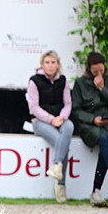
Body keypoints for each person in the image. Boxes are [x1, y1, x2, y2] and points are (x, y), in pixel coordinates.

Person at [26, 50, 73, 203]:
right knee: (62, 142)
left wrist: (62, 117)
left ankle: (56, 165)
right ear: (42, 64)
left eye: (53, 62)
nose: (50, 65)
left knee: (69, 127)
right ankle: (61, 185)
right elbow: (34, 107)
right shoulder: (34, 81)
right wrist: (52, 119)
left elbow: (68, 103)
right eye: (47, 62)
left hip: (60, 119)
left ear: (58, 64)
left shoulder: (63, 80)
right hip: (40, 121)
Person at [71, 51, 108, 207]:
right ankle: (96, 192)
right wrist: (92, 119)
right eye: (95, 71)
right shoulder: (80, 83)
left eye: (101, 70)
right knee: (104, 140)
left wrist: (102, 88)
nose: (99, 73)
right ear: (89, 69)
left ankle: (96, 192)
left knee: (106, 146)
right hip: (89, 126)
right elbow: (76, 109)